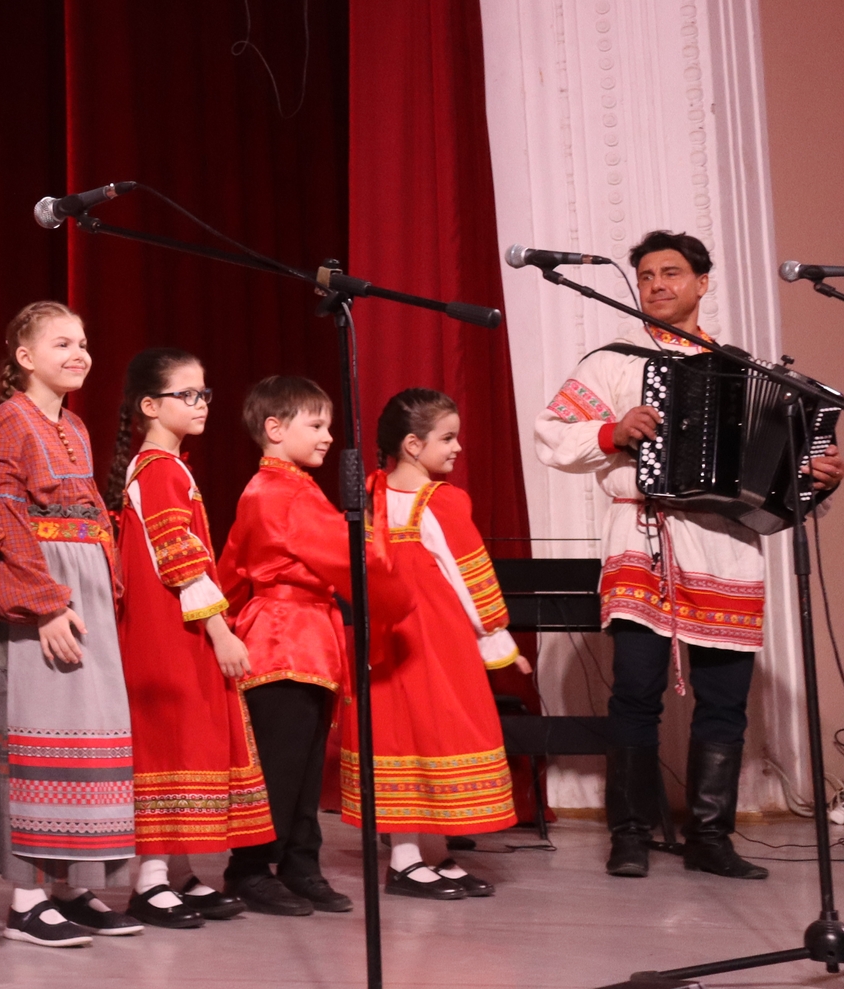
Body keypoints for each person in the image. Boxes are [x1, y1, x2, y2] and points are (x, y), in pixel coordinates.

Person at [533, 229, 844, 878]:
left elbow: (777, 476)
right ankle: (628, 834)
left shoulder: (746, 370)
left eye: (670, 272)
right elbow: (551, 433)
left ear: (702, 283)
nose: (656, 285)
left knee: (726, 699)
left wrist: (813, 476)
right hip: (642, 538)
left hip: (727, 547)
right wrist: (612, 431)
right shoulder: (612, 362)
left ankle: (710, 837)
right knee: (635, 692)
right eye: (646, 275)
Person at [0, 302, 139, 948]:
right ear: (24, 357)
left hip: (81, 591)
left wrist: (105, 581)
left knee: (86, 735)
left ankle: (72, 886)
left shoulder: (76, 425)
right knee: (36, 736)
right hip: (41, 594)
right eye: (62, 343)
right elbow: (3, 518)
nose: (79, 353)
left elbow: (91, 507)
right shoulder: (8, 422)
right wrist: (41, 602)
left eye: (83, 343)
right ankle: (26, 898)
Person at [216, 375, 406, 918]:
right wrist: (382, 538)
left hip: (299, 634)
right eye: (316, 425)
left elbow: (231, 567)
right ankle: (250, 869)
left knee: (302, 766)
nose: (327, 437)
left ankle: (300, 865)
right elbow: (353, 555)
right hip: (285, 637)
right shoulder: (284, 492)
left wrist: (226, 620)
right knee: (281, 766)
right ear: (275, 429)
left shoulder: (276, 487)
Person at [101, 348, 272, 928]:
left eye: (204, 394)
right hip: (169, 632)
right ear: (150, 406)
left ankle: (177, 873)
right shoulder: (159, 470)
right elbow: (180, 559)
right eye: (187, 394)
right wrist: (222, 632)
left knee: (185, 743)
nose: (201, 404)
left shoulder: (169, 467)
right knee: (169, 744)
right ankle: (150, 882)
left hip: (178, 627)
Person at [341, 388, 520, 901]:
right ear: (413, 445)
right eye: (448, 438)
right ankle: (404, 860)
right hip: (425, 639)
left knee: (419, 736)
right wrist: (495, 634)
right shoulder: (437, 500)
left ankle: (436, 853)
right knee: (406, 736)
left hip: (403, 637)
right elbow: (470, 576)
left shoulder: (374, 493)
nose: (458, 447)